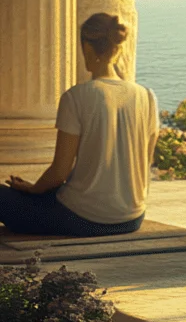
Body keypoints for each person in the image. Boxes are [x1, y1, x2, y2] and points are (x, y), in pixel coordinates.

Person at [1, 13, 160, 237]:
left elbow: (59, 172)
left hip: (82, 219)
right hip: (132, 218)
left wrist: (34, 190)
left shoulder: (76, 97)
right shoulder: (147, 97)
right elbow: (146, 161)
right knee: (44, 195)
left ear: (86, 47)